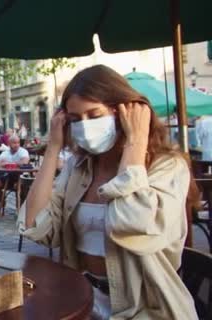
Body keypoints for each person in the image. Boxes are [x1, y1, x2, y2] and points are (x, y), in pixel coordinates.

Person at [18, 65, 198, 319]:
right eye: (75, 119)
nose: (85, 126)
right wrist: (52, 149)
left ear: (124, 112)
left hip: (146, 308)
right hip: (83, 300)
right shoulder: (78, 168)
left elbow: (132, 224)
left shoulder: (167, 167)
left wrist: (136, 140)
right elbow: (36, 227)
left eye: (94, 114)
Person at [0, 135, 30, 202]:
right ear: (9, 144)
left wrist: (8, 164)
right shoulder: (5, 153)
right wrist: (17, 164)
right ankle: (2, 199)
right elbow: (0, 165)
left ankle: (20, 207)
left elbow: (24, 162)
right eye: (14, 143)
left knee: (20, 187)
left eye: (18, 143)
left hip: (20, 178)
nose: (17, 145)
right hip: (7, 177)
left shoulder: (23, 151)